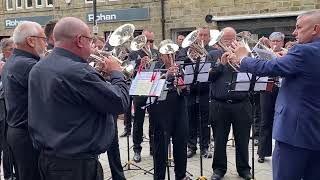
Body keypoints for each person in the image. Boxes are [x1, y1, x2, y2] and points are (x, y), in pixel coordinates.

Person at [28, 17, 129, 180]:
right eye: (89, 40)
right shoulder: (79, 72)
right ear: (80, 40)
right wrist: (116, 73)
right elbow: (119, 103)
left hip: (49, 160)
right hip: (76, 166)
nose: (92, 46)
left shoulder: (39, 67)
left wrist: (99, 78)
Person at [230, 10, 320, 180]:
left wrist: (243, 58)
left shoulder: (303, 52)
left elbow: (268, 69)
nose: (294, 32)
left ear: (315, 29)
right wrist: (287, 58)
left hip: (295, 134)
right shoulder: (306, 53)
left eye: (299, 27)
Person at [1, 21, 46, 180]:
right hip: (28, 136)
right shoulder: (29, 65)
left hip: (18, 132)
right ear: (31, 41)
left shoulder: (14, 60)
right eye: (43, 39)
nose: (45, 44)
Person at [209, 27, 252, 180]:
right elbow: (208, 77)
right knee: (219, 139)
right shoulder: (213, 54)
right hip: (219, 103)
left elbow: (253, 75)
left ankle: (244, 169)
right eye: (225, 40)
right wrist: (220, 64)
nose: (228, 43)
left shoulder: (244, 53)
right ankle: (219, 169)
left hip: (241, 103)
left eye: (232, 39)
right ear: (220, 39)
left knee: (243, 138)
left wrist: (241, 61)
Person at [151, 39, 190, 180]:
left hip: (179, 112)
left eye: (172, 53)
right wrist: (167, 76)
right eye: (166, 54)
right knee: (160, 148)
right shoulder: (155, 68)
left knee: (180, 146)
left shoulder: (182, 69)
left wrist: (183, 87)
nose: (170, 56)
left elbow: (188, 93)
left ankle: (181, 175)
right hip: (161, 113)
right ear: (161, 55)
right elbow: (150, 91)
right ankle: (159, 177)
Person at [176, 27, 213, 159]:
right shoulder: (185, 50)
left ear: (209, 37)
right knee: (190, 119)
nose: (202, 38)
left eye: (205, 35)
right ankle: (191, 146)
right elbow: (179, 60)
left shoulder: (212, 50)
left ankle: (205, 147)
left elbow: (214, 65)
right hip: (190, 90)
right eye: (200, 35)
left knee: (205, 120)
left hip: (204, 89)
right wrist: (189, 56)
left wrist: (203, 55)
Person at [130, 29, 159, 162]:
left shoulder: (156, 52)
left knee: (154, 119)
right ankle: (137, 149)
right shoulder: (134, 53)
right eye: (147, 41)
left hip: (153, 87)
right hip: (140, 87)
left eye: (152, 41)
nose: (150, 44)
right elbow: (129, 73)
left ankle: (154, 147)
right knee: (138, 121)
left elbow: (160, 68)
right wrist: (139, 65)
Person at [256, 32, 285, 163]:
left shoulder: (287, 54)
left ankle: (282, 152)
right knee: (265, 120)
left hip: (282, 89)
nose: (274, 44)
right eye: (272, 41)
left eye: (277, 41)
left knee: (282, 119)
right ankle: (262, 152)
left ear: (282, 43)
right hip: (267, 88)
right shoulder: (265, 53)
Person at [0, 38, 16, 180]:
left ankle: (12, 174)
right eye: (11, 49)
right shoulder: (3, 66)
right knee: (6, 147)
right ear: (4, 51)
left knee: (10, 147)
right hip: (3, 114)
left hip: (9, 113)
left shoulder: (12, 65)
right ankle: (9, 175)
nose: (14, 52)